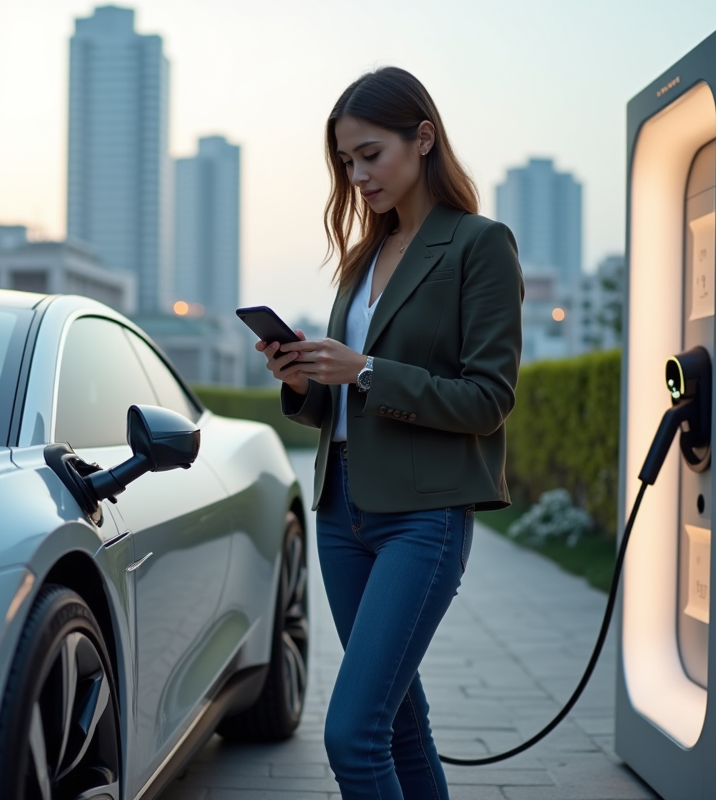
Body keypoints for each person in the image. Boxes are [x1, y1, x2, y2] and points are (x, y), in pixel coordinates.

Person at [255, 67, 524, 799]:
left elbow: (488, 399)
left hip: (423, 515)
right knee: (400, 726)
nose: (357, 174)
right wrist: (304, 382)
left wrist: (367, 369)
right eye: (346, 161)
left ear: (424, 138)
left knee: (352, 735)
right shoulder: (362, 258)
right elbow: (341, 405)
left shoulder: (480, 245)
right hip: (341, 511)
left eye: (370, 154)